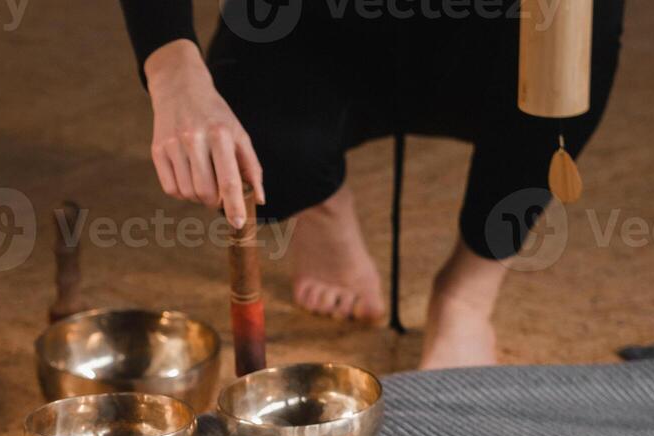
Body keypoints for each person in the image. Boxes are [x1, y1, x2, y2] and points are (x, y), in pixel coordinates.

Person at [118, 0, 626, 368]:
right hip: (313, 22)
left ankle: (467, 295)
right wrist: (172, 72)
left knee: (581, 23)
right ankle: (322, 208)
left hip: (492, 28)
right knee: (251, 137)